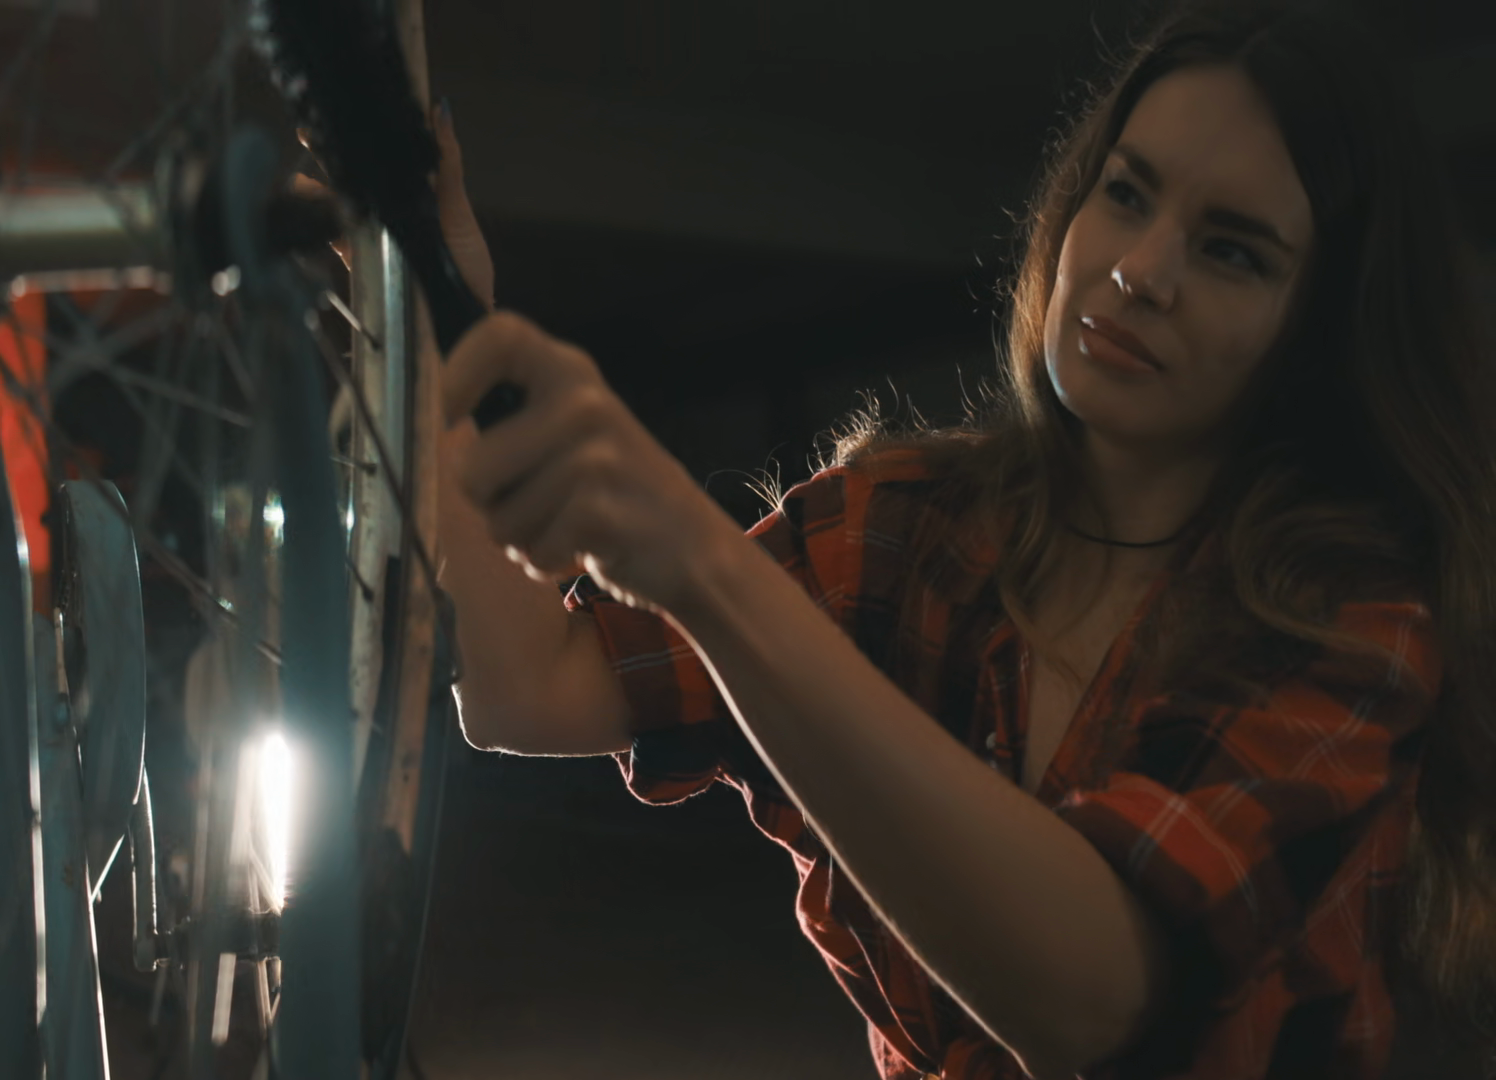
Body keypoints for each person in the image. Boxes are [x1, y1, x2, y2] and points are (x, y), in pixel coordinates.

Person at [427, 2, 1496, 1077]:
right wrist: (433, 297)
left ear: (1317, 329)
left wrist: (704, 572)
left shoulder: (1350, 623)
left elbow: (1087, 1006)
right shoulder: (907, 526)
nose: (1140, 269)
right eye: (1126, 193)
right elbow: (528, 685)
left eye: (1231, 251)